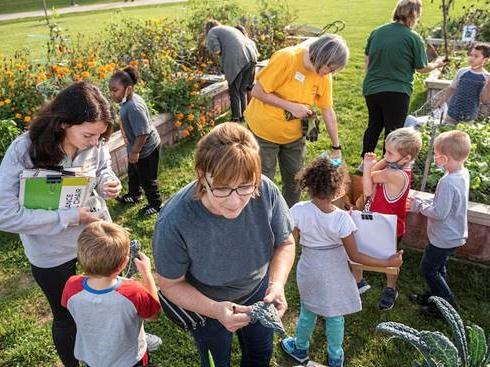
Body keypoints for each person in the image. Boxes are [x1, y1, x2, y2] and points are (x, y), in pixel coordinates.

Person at [153, 122, 295, 367]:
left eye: (245, 186)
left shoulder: (266, 190)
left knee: (260, 354)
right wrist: (215, 310)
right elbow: (171, 284)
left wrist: (277, 285)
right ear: (201, 176)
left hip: (259, 294)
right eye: (221, 188)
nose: (234, 201)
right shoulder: (174, 220)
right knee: (217, 362)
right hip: (207, 305)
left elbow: (285, 242)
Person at [0, 81, 121, 367]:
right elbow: (4, 214)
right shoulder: (23, 151)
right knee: (65, 316)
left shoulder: (96, 142)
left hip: (95, 240)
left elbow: (102, 169)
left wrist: (107, 183)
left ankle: (106, 355)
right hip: (51, 253)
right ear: (63, 123)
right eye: (88, 134)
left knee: (105, 303)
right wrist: (68, 217)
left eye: (100, 135)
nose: (95, 142)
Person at [280, 157, 403, 367]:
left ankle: (300, 348)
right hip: (335, 271)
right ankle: (335, 356)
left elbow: (294, 240)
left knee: (307, 310)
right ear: (338, 190)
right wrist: (387, 262)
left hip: (309, 268)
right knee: (335, 316)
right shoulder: (342, 219)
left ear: (308, 185)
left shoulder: (298, 210)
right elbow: (355, 256)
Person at [244, 34, 348, 207]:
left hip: (294, 137)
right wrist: (290, 106)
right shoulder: (287, 58)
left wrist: (336, 146)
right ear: (322, 57)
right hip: (263, 133)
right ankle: (262, 221)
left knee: (295, 182)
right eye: (330, 68)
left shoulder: (323, 76)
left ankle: (289, 222)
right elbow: (257, 91)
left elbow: (327, 110)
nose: (330, 74)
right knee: (262, 182)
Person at [359, 0, 445, 171]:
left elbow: (367, 61)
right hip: (397, 91)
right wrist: (437, 63)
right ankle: (387, 167)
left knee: (374, 125)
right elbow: (421, 68)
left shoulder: (377, 32)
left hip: (372, 89)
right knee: (393, 131)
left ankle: (364, 164)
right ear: (414, 15)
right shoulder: (413, 37)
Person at [61, 222, 161, 367]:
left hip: (93, 359)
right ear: (124, 263)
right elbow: (153, 315)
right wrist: (147, 273)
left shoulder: (71, 286)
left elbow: (68, 305)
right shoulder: (133, 291)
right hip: (130, 360)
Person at [353, 127, 422, 310]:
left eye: (389, 153)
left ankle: (391, 288)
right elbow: (372, 177)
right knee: (361, 249)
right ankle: (359, 282)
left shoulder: (393, 174)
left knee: (390, 261)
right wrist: (387, 157)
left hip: (387, 227)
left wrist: (368, 166)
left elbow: (367, 187)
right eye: (386, 150)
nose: (385, 155)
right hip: (381, 223)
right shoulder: (397, 168)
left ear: (406, 158)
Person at [407, 130, 471, 318]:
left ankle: (445, 306)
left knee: (428, 268)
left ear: (444, 158)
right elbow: (445, 205)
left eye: (436, 155)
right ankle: (437, 296)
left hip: (443, 237)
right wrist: (428, 203)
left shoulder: (448, 182)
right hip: (454, 234)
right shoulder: (462, 173)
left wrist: (419, 205)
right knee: (439, 267)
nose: (434, 158)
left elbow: (439, 213)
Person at [109, 66, 162, 217]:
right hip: (136, 148)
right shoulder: (128, 101)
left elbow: (143, 133)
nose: (112, 94)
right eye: (111, 90)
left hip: (146, 150)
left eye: (115, 90)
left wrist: (135, 152)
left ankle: (156, 204)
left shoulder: (134, 107)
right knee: (134, 173)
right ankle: (134, 195)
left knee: (147, 179)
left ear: (128, 89)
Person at [205, 20, 258, 123]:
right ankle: (244, 116)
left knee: (234, 90)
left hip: (238, 59)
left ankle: (235, 119)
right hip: (251, 57)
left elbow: (217, 50)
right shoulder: (228, 29)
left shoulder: (212, 32)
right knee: (242, 90)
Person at [435, 43, 490, 124]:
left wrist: (488, 84)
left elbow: (484, 100)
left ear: (485, 60)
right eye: (471, 55)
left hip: (470, 116)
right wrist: (441, 101)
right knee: (446, 131)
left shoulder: (486, 77)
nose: (472, 58)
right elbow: (452, 88)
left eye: (476, 56)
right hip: (452, 112)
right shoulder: (462, 71)